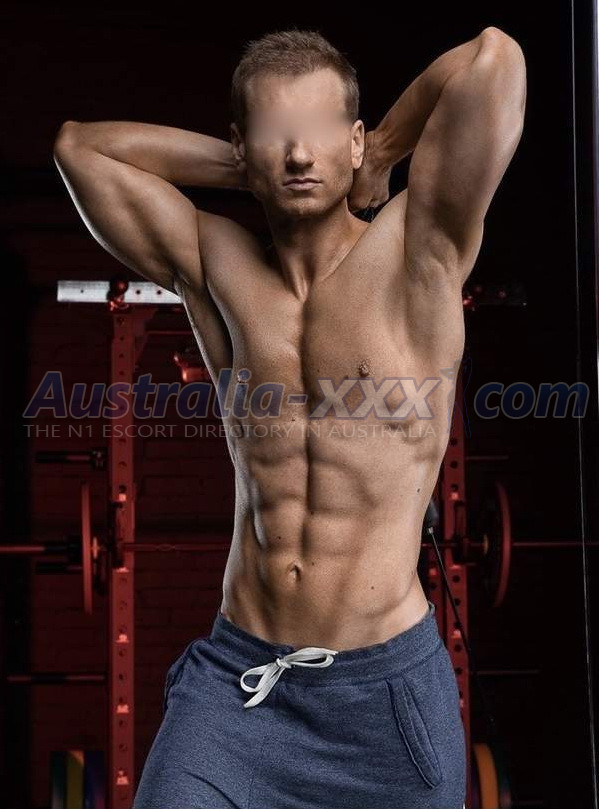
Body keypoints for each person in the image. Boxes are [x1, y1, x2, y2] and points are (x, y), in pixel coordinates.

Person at [53, 26, 526, 809]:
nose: (300, 156)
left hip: (384, 698)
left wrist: (379, 156)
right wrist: (244, 165)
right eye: (278, 135)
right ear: (244, 144)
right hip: (239, 685)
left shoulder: (420, 249)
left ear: (354, 138)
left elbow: (493, 59)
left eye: (319, 133)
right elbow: (80, 150)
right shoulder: (214, 263)